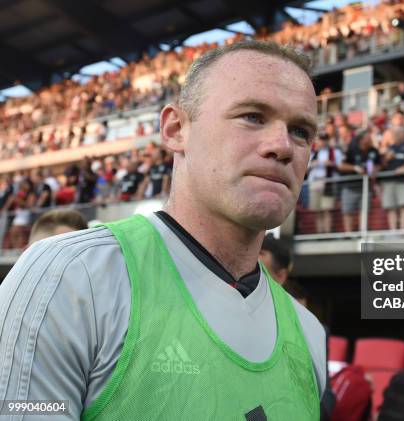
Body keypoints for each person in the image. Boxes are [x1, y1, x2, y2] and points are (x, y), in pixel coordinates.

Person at [0, 41, 326, 420]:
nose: (282, 146)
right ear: (175, 129)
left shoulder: (309, 335)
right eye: (253, 116)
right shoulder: (71, 278)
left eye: (301, 131)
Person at [380, 125, 404, 230]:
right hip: (389, 180)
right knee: (390, 206)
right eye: (394, 133)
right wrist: (386, 158)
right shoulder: (389, 148)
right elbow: (381, 165)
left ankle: (403, 230)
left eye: (399, 133)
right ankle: (393, 230)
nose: (396, 135)